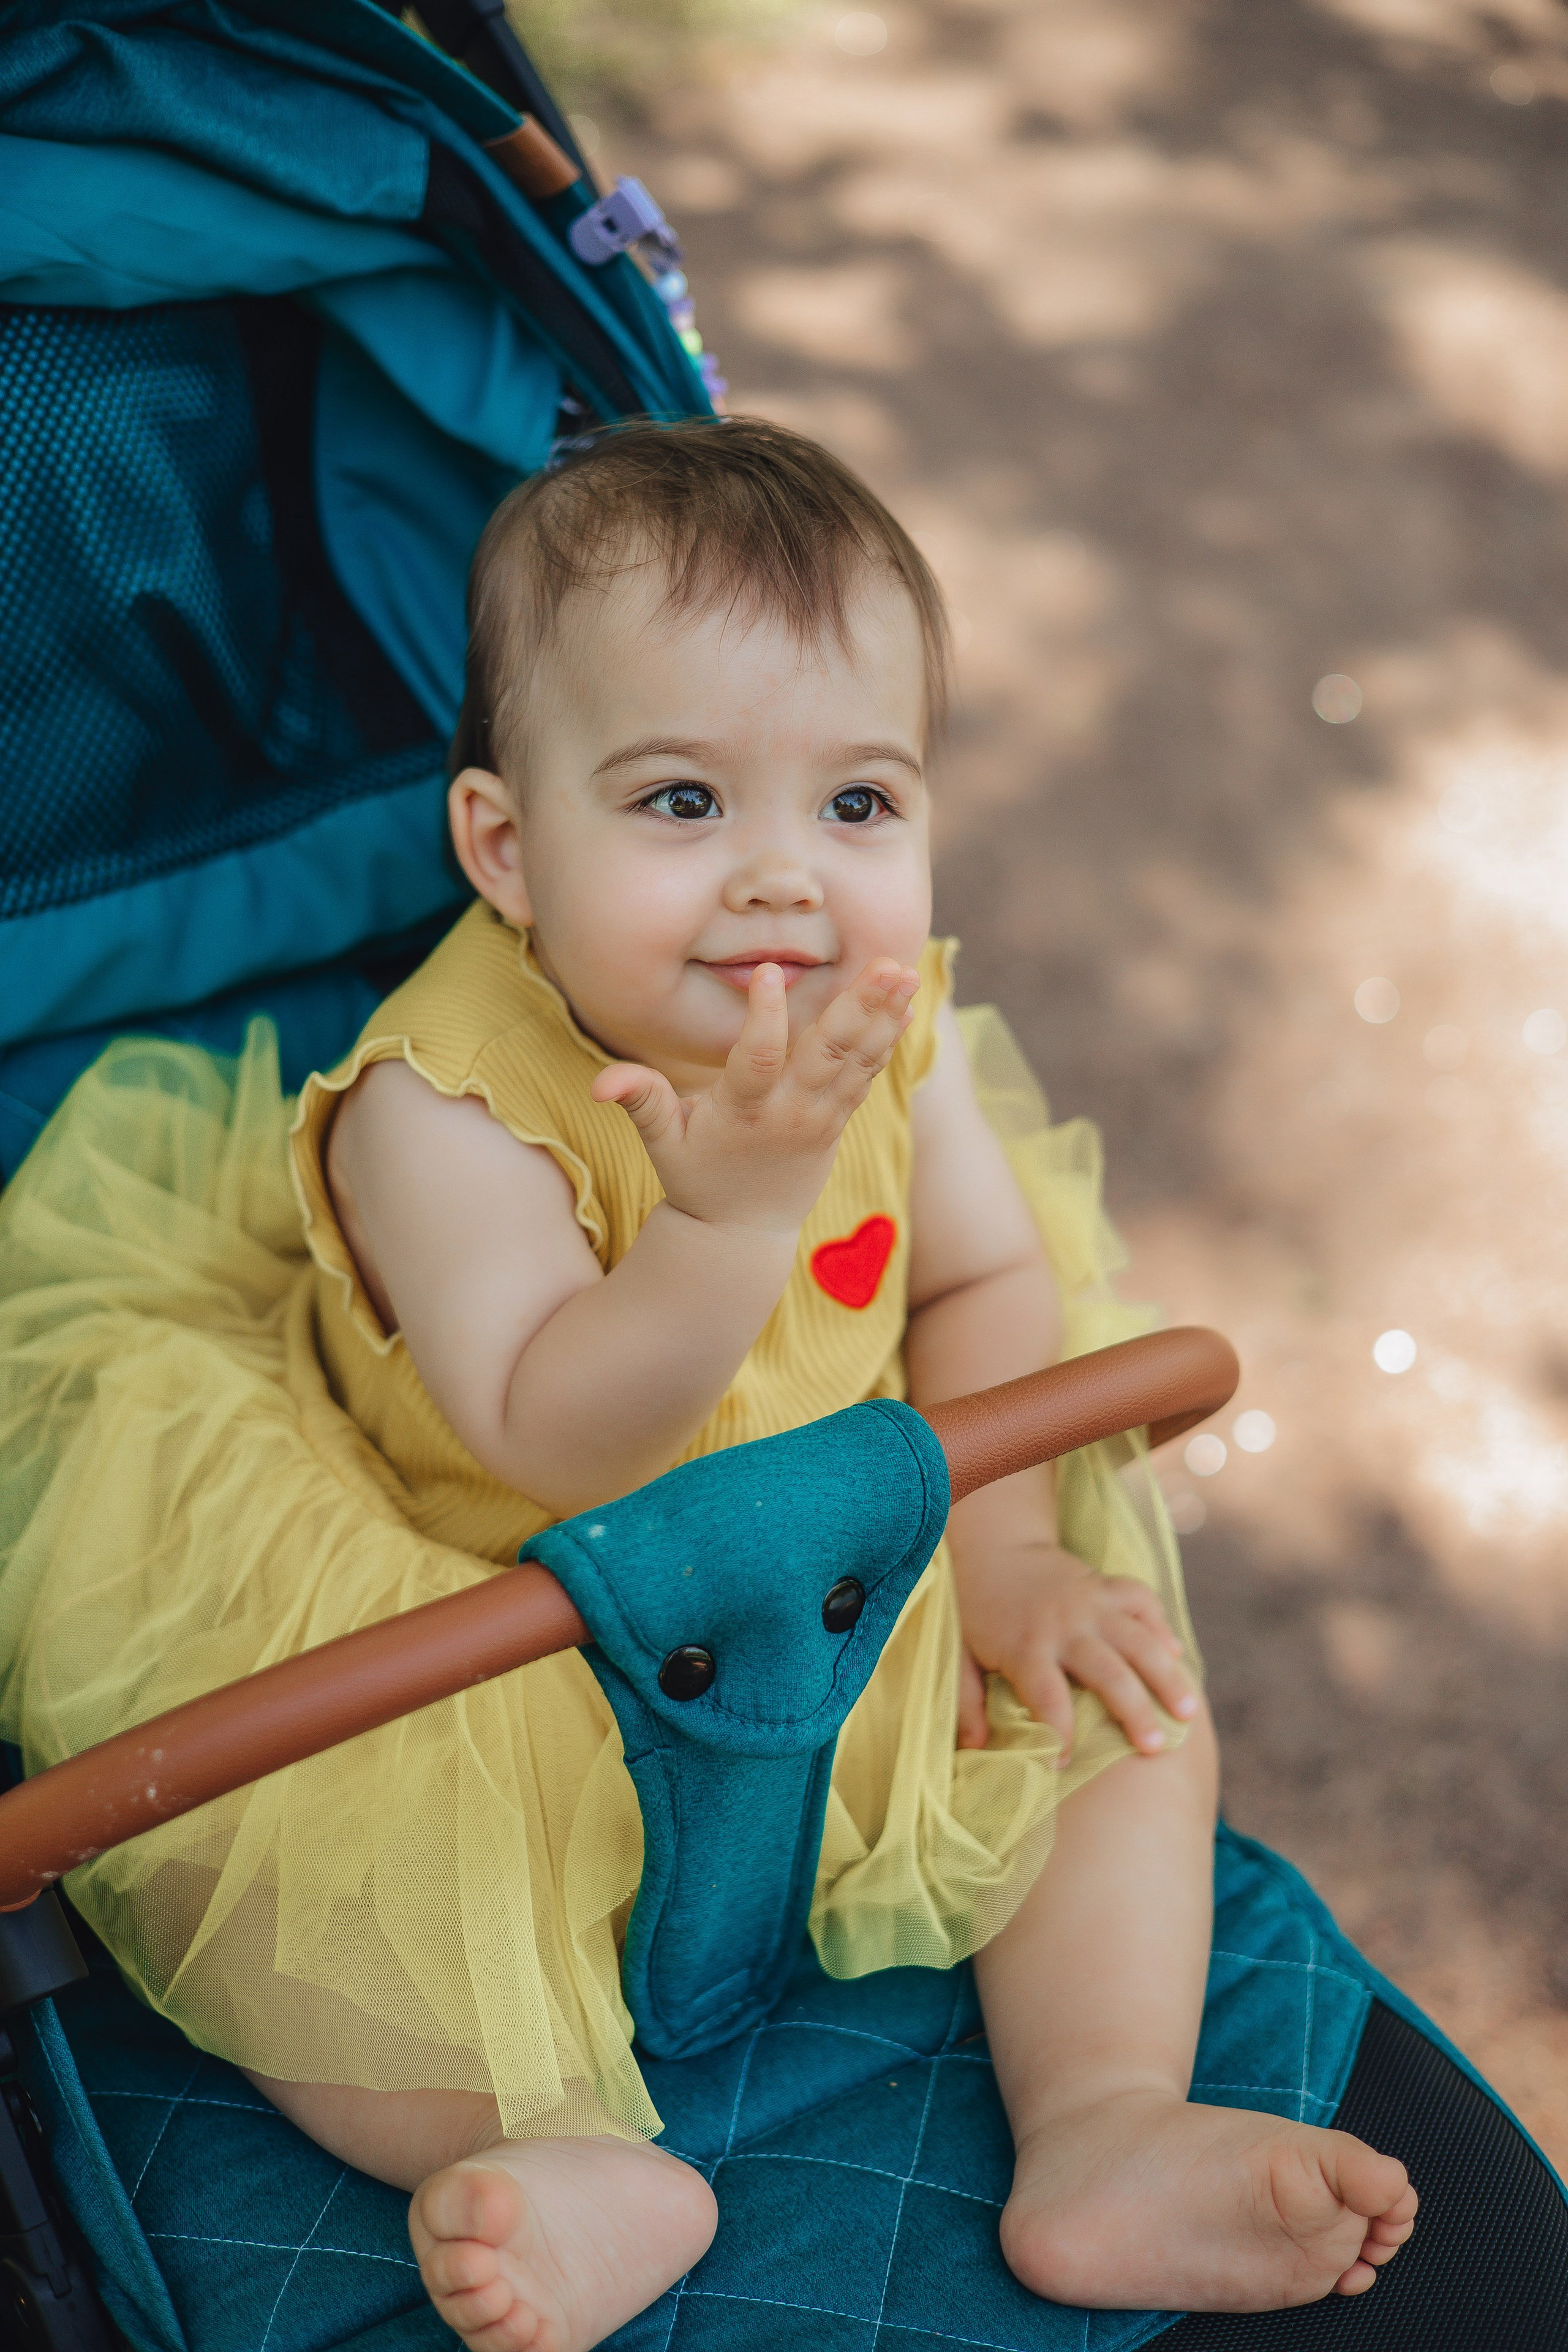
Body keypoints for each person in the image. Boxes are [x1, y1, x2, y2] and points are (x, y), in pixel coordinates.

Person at [0, 419, 1414, 2352]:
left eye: (858, 806)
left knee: (1116, 1712)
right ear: (507, 845)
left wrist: (997, 1552)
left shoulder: (882, 1032)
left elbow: (987, 1273)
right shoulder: (448, 1110)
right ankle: (562, 2158)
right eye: (680, 804)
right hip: (495, 1641)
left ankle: (1107, 2123)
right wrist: (728, 1222)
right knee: (311, 1918)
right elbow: (550, 1429)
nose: (782, 884)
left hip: (838, 1573)